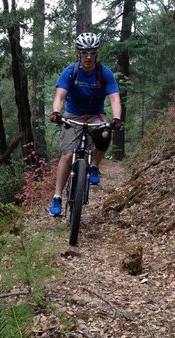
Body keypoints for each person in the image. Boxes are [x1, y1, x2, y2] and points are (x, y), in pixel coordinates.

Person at [48, 32, 122, 217]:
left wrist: (117, 118)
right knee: (66, 156)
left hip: (96, 115)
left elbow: (114, 99)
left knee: (105, 134)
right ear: (78, 53)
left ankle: (95, 166)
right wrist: (56, 112)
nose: (88, 57)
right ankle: (57, 197)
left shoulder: (104, 73)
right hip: (73, 114)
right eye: (84, 52)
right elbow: (60, 96)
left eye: (92, 53)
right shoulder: (71, 71)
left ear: (96, 54)